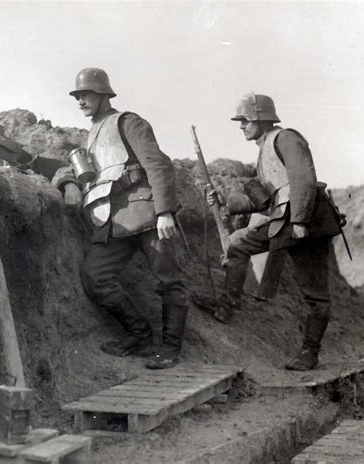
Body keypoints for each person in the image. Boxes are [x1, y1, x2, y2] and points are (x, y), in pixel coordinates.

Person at [53, 68, 189, 369]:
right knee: (95, 276)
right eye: (77, 96)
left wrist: (165, 211)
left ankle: (170, 349)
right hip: (112, 221)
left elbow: (158, 164)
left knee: (169, 280)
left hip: (147, 214)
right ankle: (139, 335)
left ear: (103, 94)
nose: (80, 101)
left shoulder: (128, 122)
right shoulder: (91, 136)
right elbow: (71, 168)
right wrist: (69, 183)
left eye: (86, 94)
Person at [209, 92, 341, 371]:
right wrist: (226, 205)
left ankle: (310, 353)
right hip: (286, 222)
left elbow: (304, 180)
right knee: (238, 245)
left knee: (316, 294)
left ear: (260, 118)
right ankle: (227, 305)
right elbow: (268, 199)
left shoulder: (286, 139)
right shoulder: (265, 147)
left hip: (308, 226)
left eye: (245, 120)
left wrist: (301, 221)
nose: (241, 126)